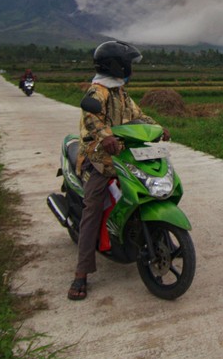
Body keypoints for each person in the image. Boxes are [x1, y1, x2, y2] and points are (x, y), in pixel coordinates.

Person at [68, 40, 169, 300]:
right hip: (98, 158)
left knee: (145, 187)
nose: (131, 69)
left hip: (122, 155)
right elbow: (91, 117)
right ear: (117, 65)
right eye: (128, 64)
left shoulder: (121, 92)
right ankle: (81, 274)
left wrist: (158, 128)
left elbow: (138, 115)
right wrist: (105, 136)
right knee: (93, 207)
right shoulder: (98, 90)